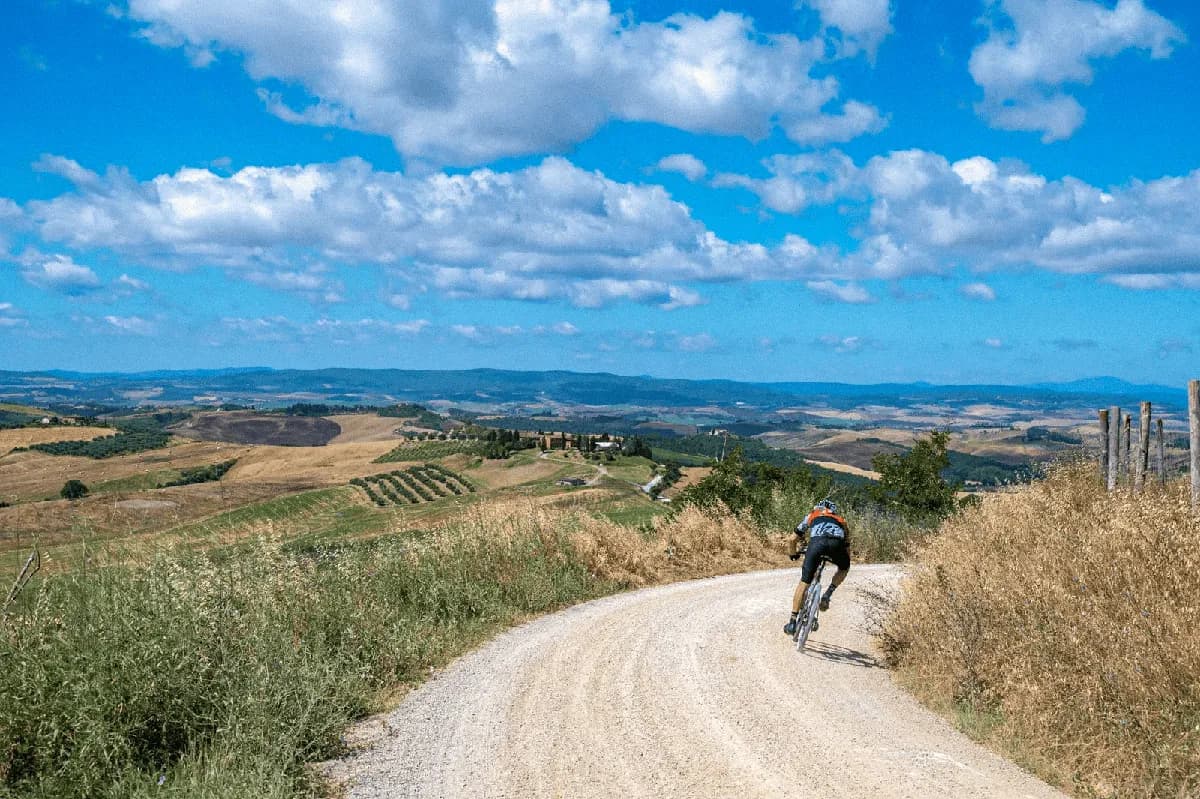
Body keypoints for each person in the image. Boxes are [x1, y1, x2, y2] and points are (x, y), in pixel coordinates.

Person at [784, 499, 851, 636]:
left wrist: (793, 554)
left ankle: (792, 622)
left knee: (804, 582)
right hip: (836, 546)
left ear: (817, 508)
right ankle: (828, 594)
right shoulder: (841, 520)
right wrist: (844, 562)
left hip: (816, 544)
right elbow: (847, 546)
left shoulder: (812, 515)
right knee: (844, 568)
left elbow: (792, 540)